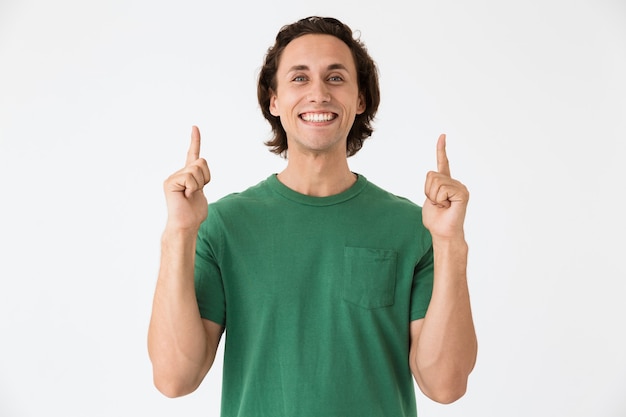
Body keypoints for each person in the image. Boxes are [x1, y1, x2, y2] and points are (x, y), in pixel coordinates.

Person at [148, 16, 477, 417]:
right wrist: (178, 233)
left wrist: (450, 244)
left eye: (335, 78)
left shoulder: (415, 228)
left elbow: (444, 386)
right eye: (299, 78)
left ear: (360, 99)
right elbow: (173, 378)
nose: (318, 93)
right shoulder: (223, 226)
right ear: (274, 100)